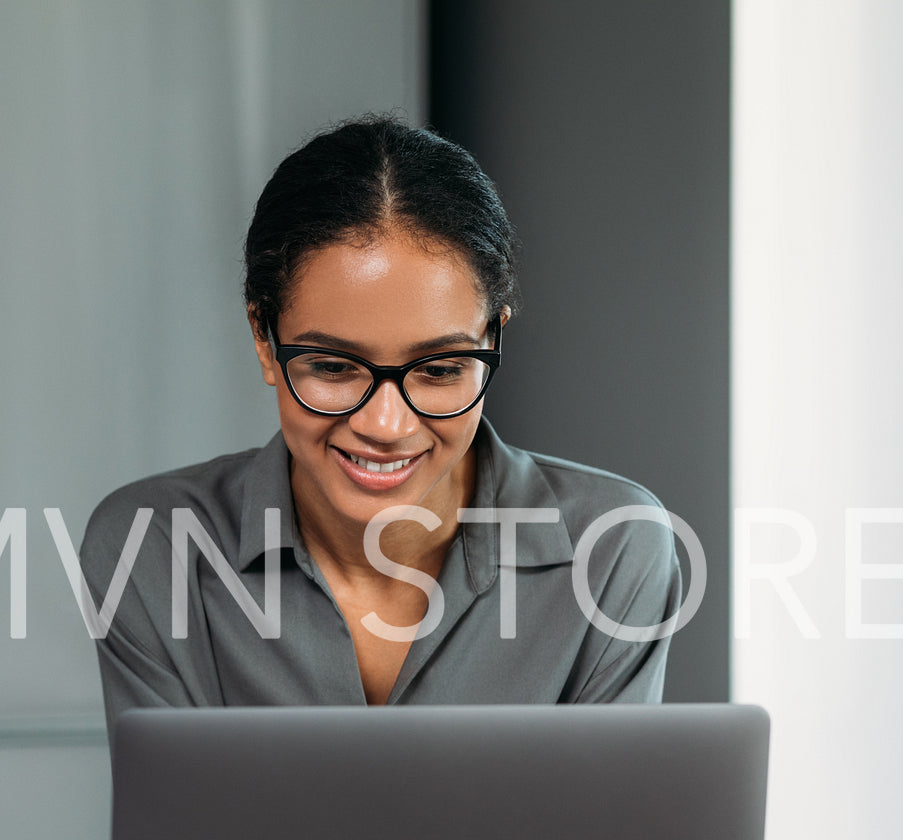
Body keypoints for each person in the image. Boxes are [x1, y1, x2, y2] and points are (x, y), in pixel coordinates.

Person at [81, 115, 683, 729]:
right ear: (265, 340)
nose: (387, 424)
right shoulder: (151, 546)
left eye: (441, 369)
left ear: (494, 339)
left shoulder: (613, 547)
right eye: (336, 367)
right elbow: (177, 821)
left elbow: (604, 825)